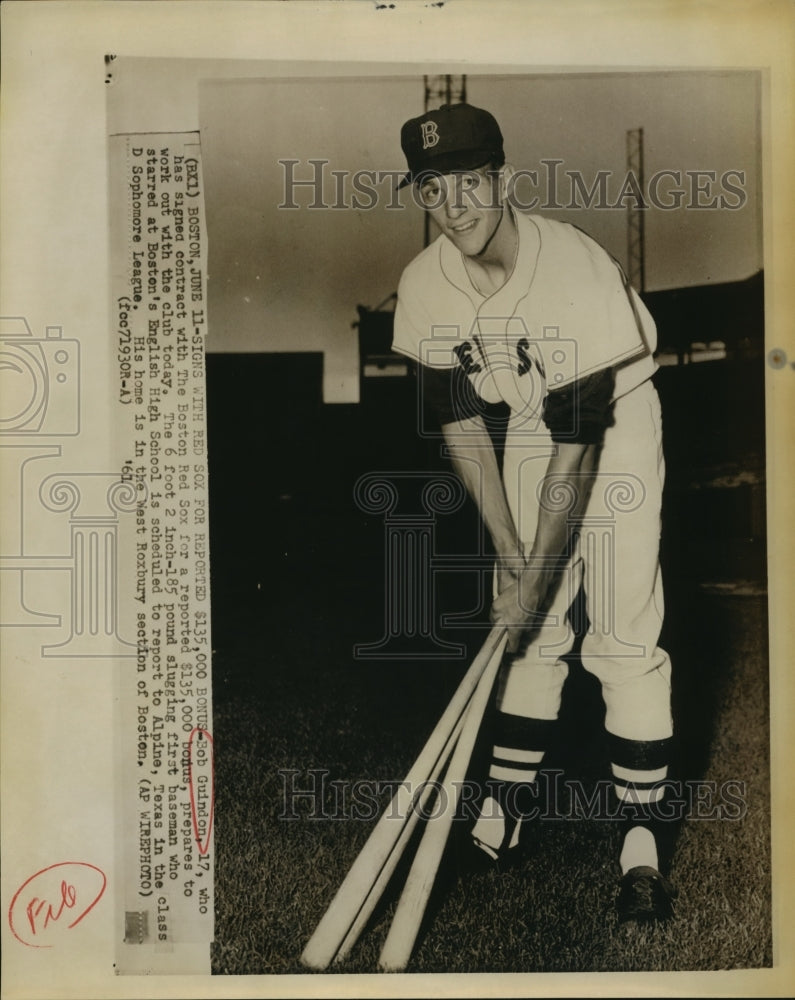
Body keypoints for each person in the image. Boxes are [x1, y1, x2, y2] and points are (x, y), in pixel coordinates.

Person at [390, 102, 677, 922]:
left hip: (615, 422)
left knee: (619, 631)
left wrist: (538, 570)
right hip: (520, 425)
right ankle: (507, 809)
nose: (454, 208)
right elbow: (456, 423)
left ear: (503, 180)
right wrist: (512, 558)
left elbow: (579, 450)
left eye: (470, 184)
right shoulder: (422, 285)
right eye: (433, 189)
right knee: (526, 631)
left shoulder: (572, 268)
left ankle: (640, 843)